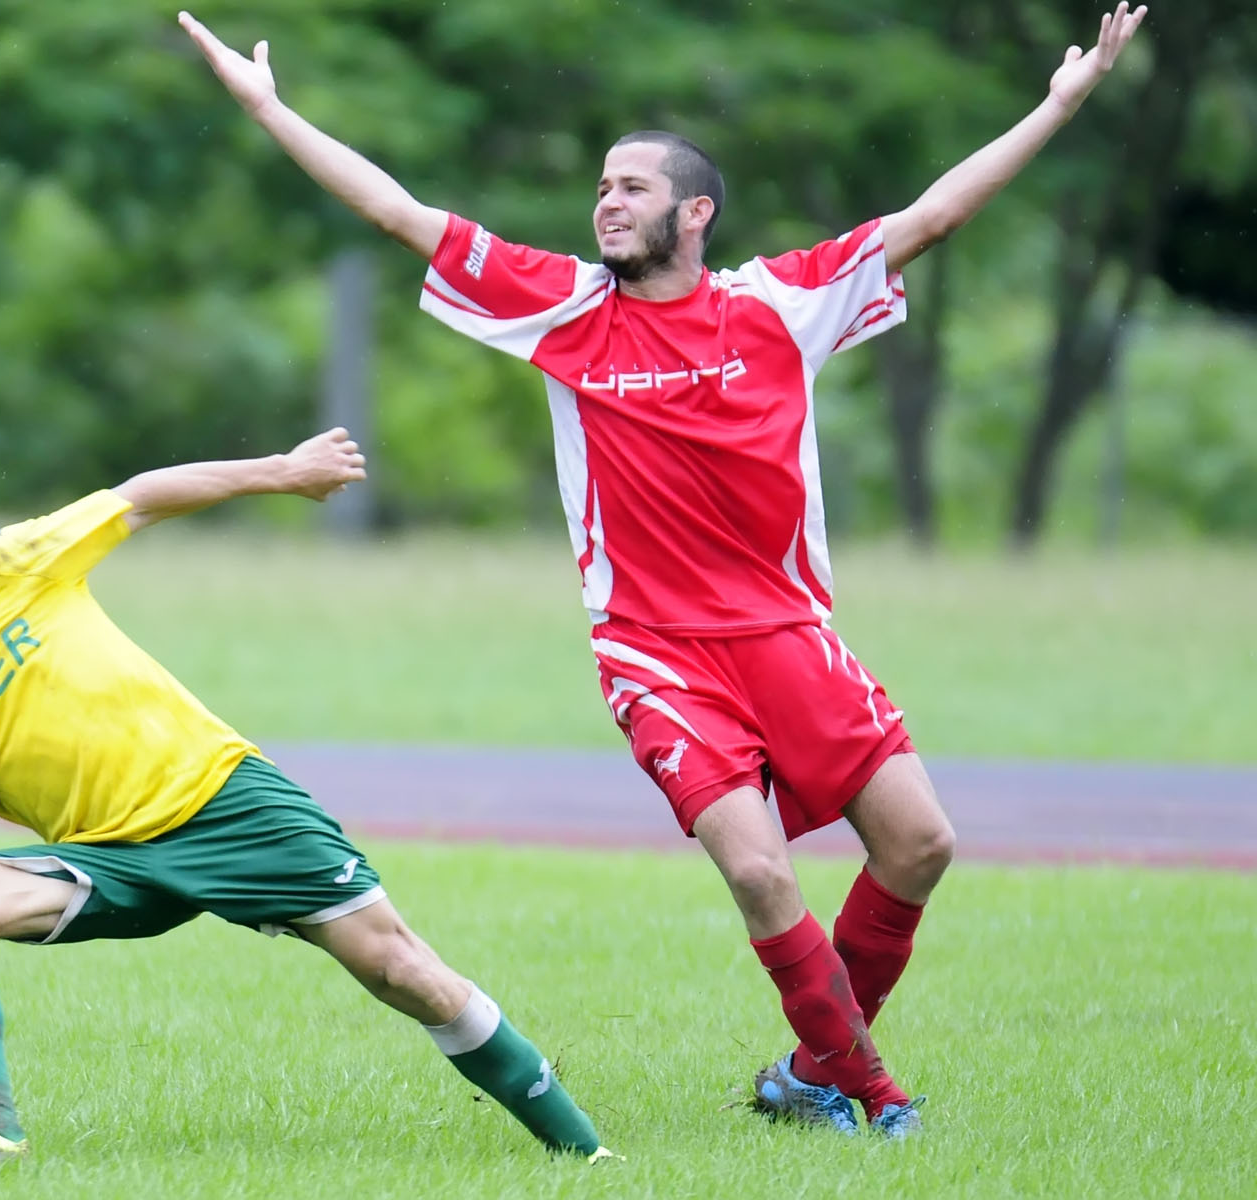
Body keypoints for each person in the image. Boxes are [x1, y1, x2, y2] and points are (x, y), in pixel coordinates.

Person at [182, 4, 1147, 1138]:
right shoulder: (562, 311)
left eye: (631, 187)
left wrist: (1060, 102)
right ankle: (875, 1096)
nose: (606, 202)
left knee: (922, 844)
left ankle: (807, 1074)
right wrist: (270, 109)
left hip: (788, 632)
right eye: (600, 186)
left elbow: (933, 214)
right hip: (655, 649)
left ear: (694, 212)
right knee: (760, 877)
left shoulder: (778, 306)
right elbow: (400, 213)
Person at [0, 428, 612, 1163]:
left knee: (404, 973)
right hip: (110, 865)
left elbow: (138, 499)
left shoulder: (5, 573)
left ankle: (585, 1150)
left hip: (224, 802)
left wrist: (284, 472)